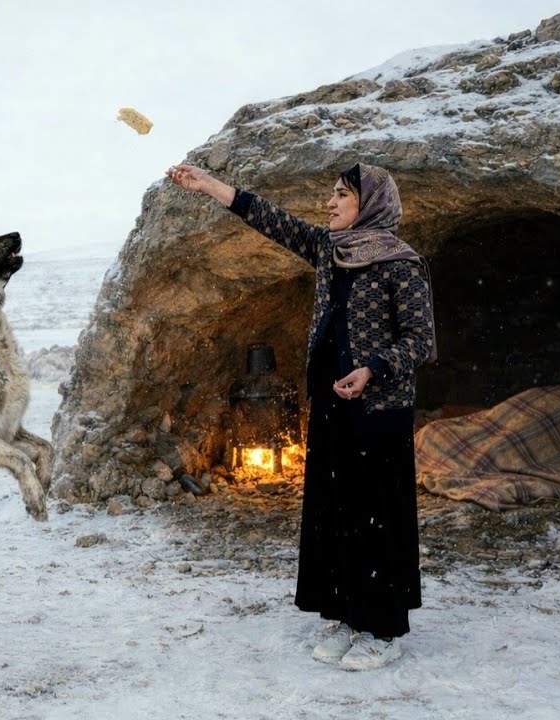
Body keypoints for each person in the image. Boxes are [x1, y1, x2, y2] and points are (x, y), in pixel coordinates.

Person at [166, 161, 436, 671]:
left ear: (370, 203)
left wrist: (373, 369)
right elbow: (269, 218)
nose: (330, 203)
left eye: (341, 195)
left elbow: (420, 341)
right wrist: (209, 187)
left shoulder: (402, 264)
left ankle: (381, 629)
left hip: (378, 410)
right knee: (336, 513)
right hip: (331, 407)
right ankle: (344, 614)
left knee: (376, 516)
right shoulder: (329, 251)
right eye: (330, 194)